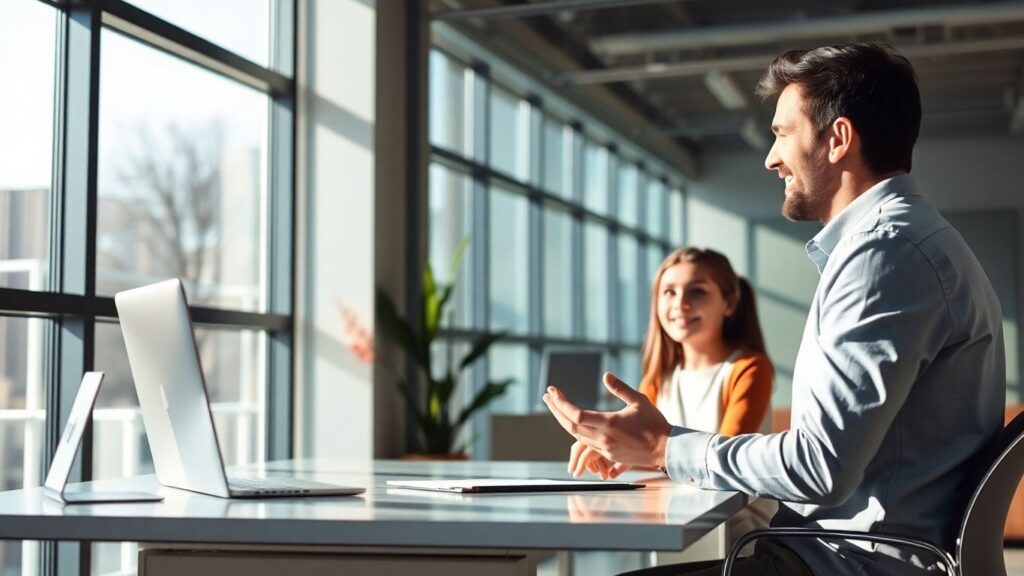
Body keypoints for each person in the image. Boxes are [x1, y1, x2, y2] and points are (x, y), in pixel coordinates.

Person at [543, 42, 1005, 576]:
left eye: (783, 133)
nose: (770, 157)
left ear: (838, 140)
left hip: (843, 565)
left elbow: (820, 468)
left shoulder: (887, 255)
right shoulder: (903, 245)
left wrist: (664, 446)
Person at [571, 247, 777, 548]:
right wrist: (611, 447)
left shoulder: (748, 368)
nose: (680, 303)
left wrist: (641, 451)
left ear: (729, 303)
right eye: (669, 292)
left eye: (697, 291)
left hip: (736, 534)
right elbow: (649, 454)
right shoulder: (659, 378)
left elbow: (723, 461)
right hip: (673, 519)